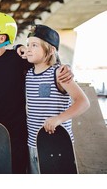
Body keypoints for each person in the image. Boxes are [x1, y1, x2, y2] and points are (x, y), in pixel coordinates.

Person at [0, 12, 73, 174]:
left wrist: (66, 67)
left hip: (18, 132)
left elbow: (45, 64)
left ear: (1, 38)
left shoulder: (18, 58)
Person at [25, 24, 90, 174]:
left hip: (58, 145)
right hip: (33, 144)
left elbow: (83, 102)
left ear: (51, 50)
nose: (28, 49)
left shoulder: (59, 73)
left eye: (34, 45)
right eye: (28, 45)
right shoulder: (28, 74)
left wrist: (59, 119)